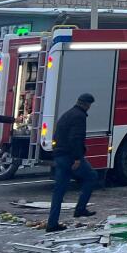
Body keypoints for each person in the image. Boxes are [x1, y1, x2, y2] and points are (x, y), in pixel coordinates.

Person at [46, 94, 101, 232]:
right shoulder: (79, 117)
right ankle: (80, 208)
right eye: (90, 105)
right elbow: (75, 138)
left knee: (59, 190)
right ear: (87, 104)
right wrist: (77, 158)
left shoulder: (68, 114)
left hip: (59, 155)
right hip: (69, 156)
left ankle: (52, 224)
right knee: (91, 176)